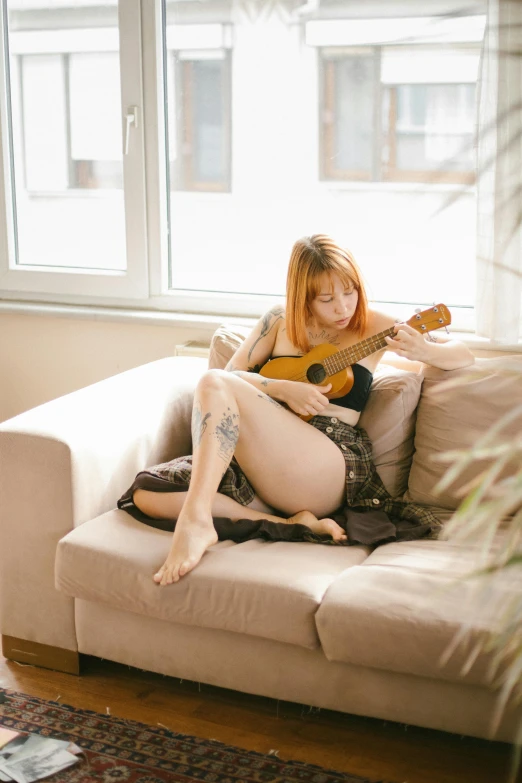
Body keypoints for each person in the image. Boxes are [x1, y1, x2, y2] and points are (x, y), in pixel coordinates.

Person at [119, 234, 474, 586]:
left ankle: (195, 521)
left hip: (327, 462)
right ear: (302, 297)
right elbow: (231, 375)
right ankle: (290, 524)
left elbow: (463, 354)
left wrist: (426, 352)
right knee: (147, 494)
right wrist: (283, 389)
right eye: (326, 298)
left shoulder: (376, 325)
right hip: (264, 461)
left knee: (211, 382)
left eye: (349, 292)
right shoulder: (278, 321)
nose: (342, 307)